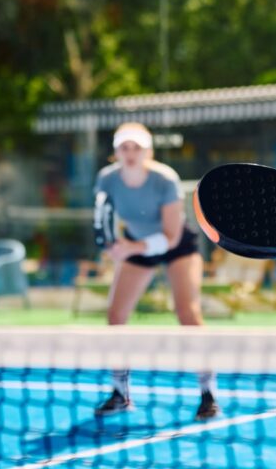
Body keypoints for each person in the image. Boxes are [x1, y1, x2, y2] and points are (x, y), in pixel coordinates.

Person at [92, 122, 220, 421]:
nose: (131, 153)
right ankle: (120, 393)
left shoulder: (165, 179)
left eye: (137, 147)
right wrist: (113, 247)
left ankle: (208, 393)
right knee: (115, 316)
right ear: (116, 153)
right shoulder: (106, 179)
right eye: (125, 148)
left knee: (187, 314)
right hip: (136, 245)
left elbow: (171, 237)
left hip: (177, 246)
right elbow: (103, 223)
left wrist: (130, 248)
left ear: (148, 151)